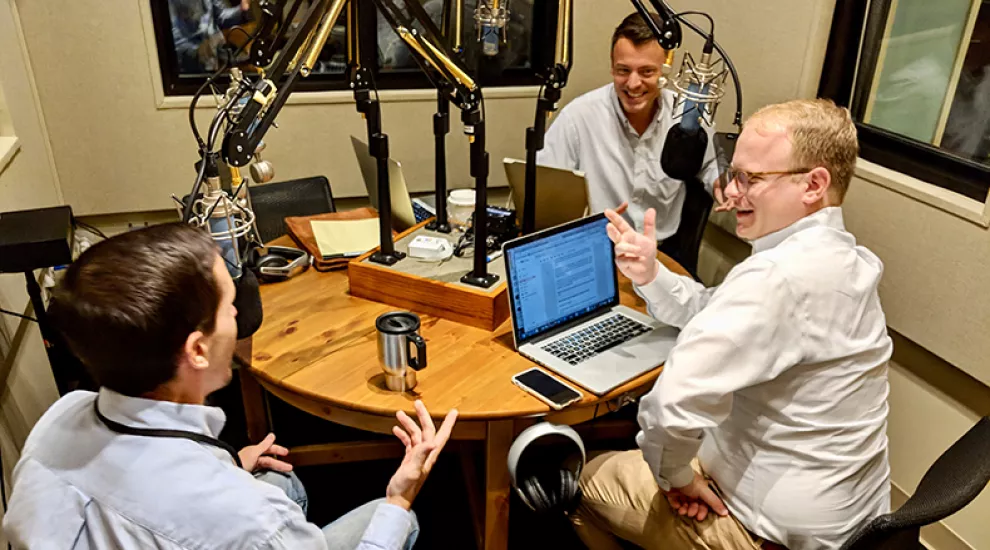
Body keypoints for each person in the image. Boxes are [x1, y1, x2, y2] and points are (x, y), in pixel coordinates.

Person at [2, 223, 457, 549]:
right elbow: (234, 522)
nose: (238, 314)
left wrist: (227, 466)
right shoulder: (252, 521)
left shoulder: (58, 420)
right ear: (197, 349)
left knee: (284, 483)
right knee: (399, 519)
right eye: (228, 304)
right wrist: (399, 497)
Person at [571, 99, 892, 550]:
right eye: (732, 172)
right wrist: (650, 274)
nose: (729, 193)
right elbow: (715, 309)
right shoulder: (847, 260)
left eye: (750, 179)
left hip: (767, 533)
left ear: (813, 184)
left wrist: (677, 479)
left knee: (581, 481)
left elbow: (670, 407)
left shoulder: (778, 279)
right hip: (853, 523)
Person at [537, 12, 721, 244]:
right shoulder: (579, 117)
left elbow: (713, 166)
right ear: (612, 68)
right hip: (599, 248)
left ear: (665, 71)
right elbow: (543, 190)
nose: (633, 84)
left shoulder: (688, 115)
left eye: (646, 72)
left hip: (662, 252)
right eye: (623, 70)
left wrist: (722, 185)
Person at [170, 0, 253, 74]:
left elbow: (221, 16)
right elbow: (173, 39)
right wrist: (196, 51)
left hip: (215, 60)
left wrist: (241, 8)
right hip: (190, 67)